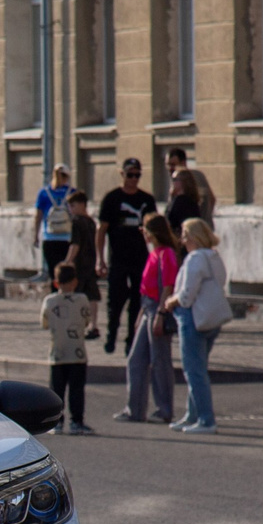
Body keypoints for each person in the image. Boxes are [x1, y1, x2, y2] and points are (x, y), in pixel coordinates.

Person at [117, 213, 182, 424]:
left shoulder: (167, 254)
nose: (142, 233)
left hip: (158, 309)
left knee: (160, 361)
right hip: (147, 307)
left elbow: (168, 286)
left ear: (153, 232)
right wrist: (140, 315)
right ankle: (134, 409)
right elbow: (146, 289)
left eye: (144, 229)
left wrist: (161, 314)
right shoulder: (154, 253)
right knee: (136, 359)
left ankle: (164, 410)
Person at [170, 216, 230, 432]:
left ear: (194, 237)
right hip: (212, 317)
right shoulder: (214, 256)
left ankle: (206, 419)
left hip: (193, 317)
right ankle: (192, 414)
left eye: (185, 236)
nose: (182, 241)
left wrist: (170, 301)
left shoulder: (195, 258)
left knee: (194, 370)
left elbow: (186, 296)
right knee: (198, 368)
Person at [96, 158, 159, 355]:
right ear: (122, 174)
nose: (134, 179)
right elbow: (102, 230)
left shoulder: (147, 200)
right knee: (115, 300)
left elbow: (154, 228)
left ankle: (131, 341)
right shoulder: (112, 198)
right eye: (130, 174)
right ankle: (111, 335)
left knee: (136, 301)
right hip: (118, 258)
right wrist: (100, 259)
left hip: (140, 258)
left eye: (137, 175)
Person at [40, 261, 93, 433]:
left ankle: (57, 422)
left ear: (56, 283)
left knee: (56, 390)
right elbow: (86, 321)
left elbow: (44, 323)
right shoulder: (82, 299)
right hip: (77, 353)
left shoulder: (49, 301)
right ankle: (76, 422)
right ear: (75, 281)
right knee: (77, 389)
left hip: (57, 353)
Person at [65, 189, 100, 336]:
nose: (70, 209)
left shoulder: (77, 222)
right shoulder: (91, 222)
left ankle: (75, 324)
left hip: (79, 264)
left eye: (72, 206)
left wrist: (68, 261)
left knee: (75, 294)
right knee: (92, 296)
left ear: (81, 204)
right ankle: (93, 325)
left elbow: (75, 245)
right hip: (91, 262)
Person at [34, 164, 75, 274]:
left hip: (49, 237)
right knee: (68, 273)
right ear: (67, 177)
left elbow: (38, 216)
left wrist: (36, 235)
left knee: (54, 273)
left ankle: (55, 290)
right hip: (68, 237)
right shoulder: (72, 192)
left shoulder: (44, 193)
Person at [164, 146, 214, 224]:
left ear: (183, 163)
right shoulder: (196, 175)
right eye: (168, 165)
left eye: (173, 164)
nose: (170, 168)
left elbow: (210, 199)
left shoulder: (190, 179)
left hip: (195, 228)